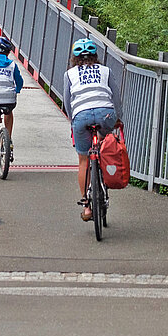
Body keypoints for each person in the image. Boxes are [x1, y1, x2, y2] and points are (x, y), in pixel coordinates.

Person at [61, 38, 118, 222]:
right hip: (106, 115)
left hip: (81, 117)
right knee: (102, 142)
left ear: (74, 58)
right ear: (95, 56)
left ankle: (86, 206)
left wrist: (73, 120)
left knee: (83, 160)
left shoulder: (69, 74)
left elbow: (67, 102)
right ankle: (101, 149)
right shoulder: (106, 71)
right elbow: (116, 99)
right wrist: (118, 119)